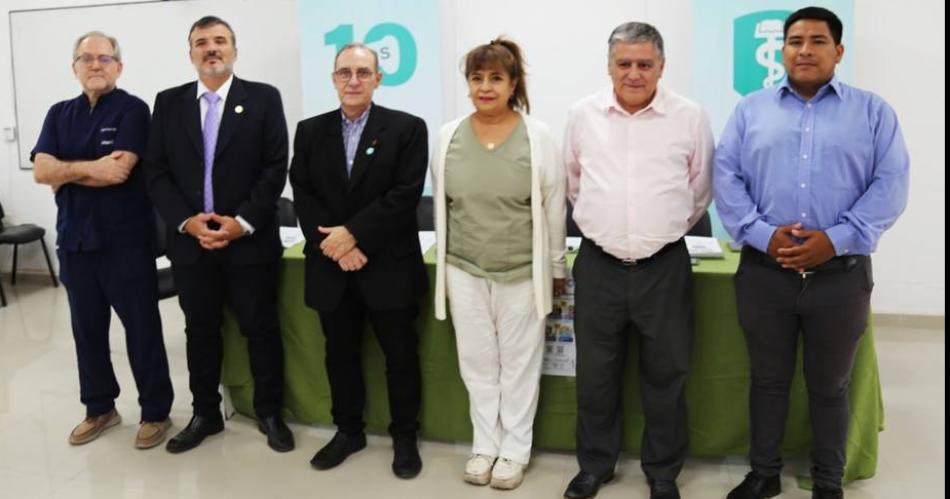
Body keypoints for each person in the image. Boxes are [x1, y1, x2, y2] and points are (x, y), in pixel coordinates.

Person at [715, 7, 909, 499]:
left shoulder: (873, 112)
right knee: (768, 381)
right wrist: (761, 233)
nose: (804, 49)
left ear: (838, 51)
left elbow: (891, 185)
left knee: (830, 387)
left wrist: (836, 239)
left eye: (818, 41)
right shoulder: (749, 110)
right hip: (766, 271)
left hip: (840, 276)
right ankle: (763, 475)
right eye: (795, 40)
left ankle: (828, 482)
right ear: (781, 50)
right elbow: (727, 177)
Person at [562, 22, 713, 499]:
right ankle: (595, 466)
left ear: (661, 67)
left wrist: (657, 231)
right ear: (609, 66)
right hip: (598, 264)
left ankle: (663, 472)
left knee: (667, 373)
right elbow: (572, 182)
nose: (633, 73)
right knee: (595, 374)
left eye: (644, 64)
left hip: (663, 266)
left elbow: (700, 190)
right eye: (624, 64)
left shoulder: (689, 117)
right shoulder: (582, 114)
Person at [143, 16, 293, 454]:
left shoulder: (263, 98)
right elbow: (157, 171)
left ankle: (269, 412)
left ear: (234, 50)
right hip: (191, 244)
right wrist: (187, 222)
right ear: (190, 53)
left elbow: (274, 165)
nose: (211, 49)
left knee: (259, 329)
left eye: (220, 41)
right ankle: (205, 413)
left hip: (248, 241)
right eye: (202, 43)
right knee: (200, 330)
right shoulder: (168, 103)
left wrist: (240, 222)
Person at [430, 37, 566, 490]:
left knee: (519, 364)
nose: (485, 87)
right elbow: (444, 206)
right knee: (477, 362)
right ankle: (485, 445)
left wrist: (556, 267)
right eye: (476, 78)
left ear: (513, 84)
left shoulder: (538, 136)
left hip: (521, 272)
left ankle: (514, 450)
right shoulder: (448, 134)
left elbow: (553, 207)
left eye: (495, 78)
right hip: (463, 268)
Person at [288, 43, 428, 479]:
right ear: (333, 78)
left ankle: (405, 437)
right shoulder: (310, 131)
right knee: (340, 354)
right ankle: (348, 430)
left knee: (400, 356)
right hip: (333, 265)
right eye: (345, 72)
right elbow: (303, 192)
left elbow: (405, 195)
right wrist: (338, 245)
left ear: (378, 79)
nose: (353, 80)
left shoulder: (407, 128)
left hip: (388, 264)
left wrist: (354, 235)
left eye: (363, 72)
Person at [31, 31, 174, 450]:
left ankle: (155, 411)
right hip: (75, 243)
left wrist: (66, 170)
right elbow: (40, 170)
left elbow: (118, 172)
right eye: (86, 58)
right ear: (74, 66)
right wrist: (85, 168)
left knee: (141, 331)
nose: (95, 65)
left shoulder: (133, 110)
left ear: (119, 67)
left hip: (125, 243)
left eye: (104, 59)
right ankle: (100, 408)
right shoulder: (59, 113)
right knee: (86, 331)